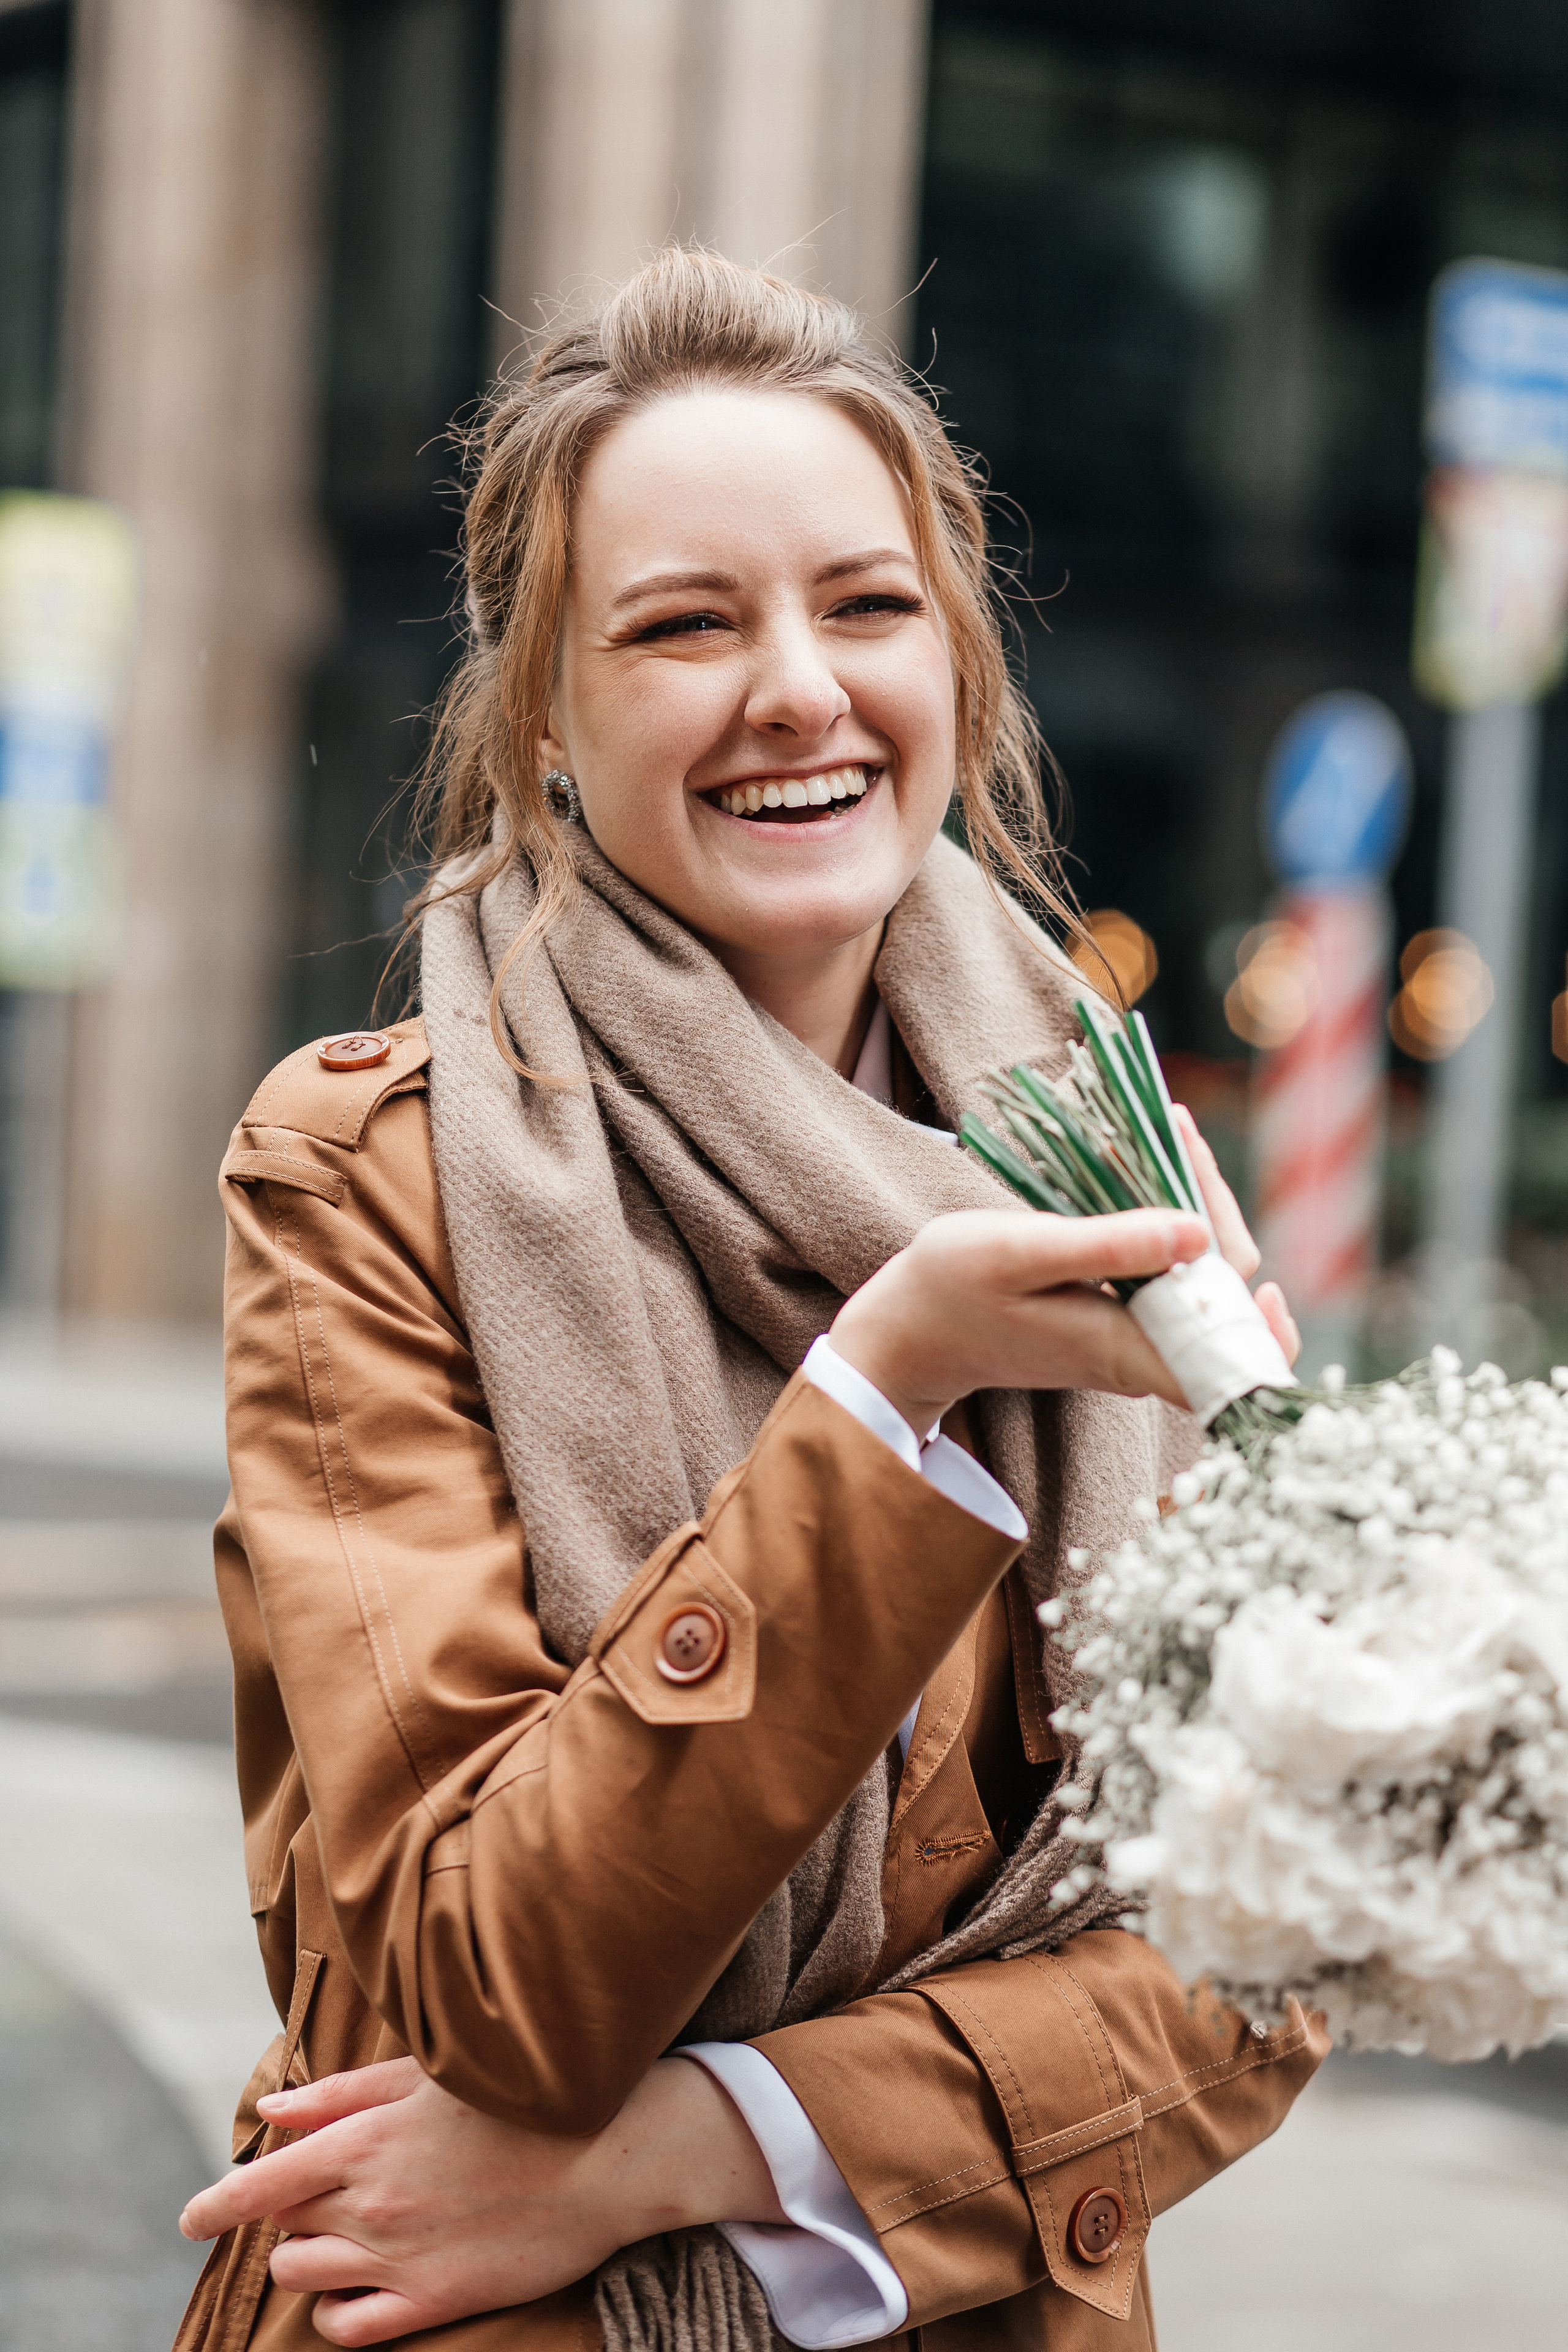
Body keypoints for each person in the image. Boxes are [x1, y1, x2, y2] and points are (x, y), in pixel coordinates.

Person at [176, 248, 1320, 2352]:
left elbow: (1275, 1951)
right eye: (686, 624)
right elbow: (490, 1975)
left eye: (865, 605)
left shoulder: (1118, 1154)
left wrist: (701, 2145)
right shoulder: (379, 1174)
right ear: (543, 705)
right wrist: (888, 1393)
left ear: (957, 669)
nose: (796, 687)